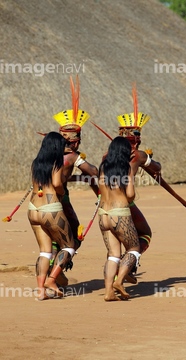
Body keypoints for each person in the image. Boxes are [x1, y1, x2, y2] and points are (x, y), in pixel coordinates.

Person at [50, 75, 99, 286]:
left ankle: (52, 270)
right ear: (75, 140)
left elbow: (62, 175)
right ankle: (56, 271)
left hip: (42, 200)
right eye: (78, 138)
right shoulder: (72, 156)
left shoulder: (49, 153)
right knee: (74, 238)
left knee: (53, 238)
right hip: (61, 199)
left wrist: (77, 177)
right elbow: (95, 172)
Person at [116, 86, 161, 281]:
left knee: (117, 241)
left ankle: (122, 268)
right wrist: (149, 160)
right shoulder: (139, 156)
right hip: (126, 202)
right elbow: (158, 168)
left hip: (105, 203)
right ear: (136, 139)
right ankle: (128, 265)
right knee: (145, 234)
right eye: (138, 136)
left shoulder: (107, 155)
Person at [27, 132, 76, 301]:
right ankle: (52, 280)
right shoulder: (56, 162)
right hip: (50, 208)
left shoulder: (36, 163)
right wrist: (62, 194)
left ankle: (41, 291)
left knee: (45, 252)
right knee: (69, 246)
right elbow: (56, 184)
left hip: (33, 208)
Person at [98, 136, 140, 301]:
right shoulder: (126, 168)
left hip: (104, 214)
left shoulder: (103, 168)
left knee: (113, 255)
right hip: (119, 213)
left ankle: (109, 292)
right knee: (134, 249)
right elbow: (130, 195)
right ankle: (119, 281)